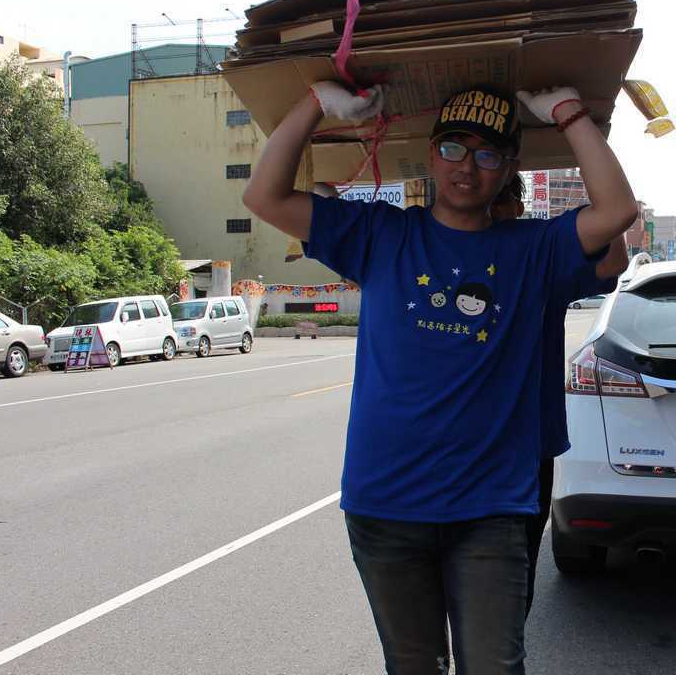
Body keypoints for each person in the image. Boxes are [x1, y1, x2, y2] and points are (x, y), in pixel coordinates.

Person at [243, 81, 637, 675]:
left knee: (493, 667)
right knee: (414, 666)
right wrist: (317, 104)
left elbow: (616, 216)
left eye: (487, 154)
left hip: (491, 508)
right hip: (385, 504)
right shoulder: (380, 235)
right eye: (453, 148)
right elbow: (264, 194)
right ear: (431, 156)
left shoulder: (533, 249)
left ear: (509, 169)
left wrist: (569, 114)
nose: (467, 167)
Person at [490, 178, 629, 616]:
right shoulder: (443, 257)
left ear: (517, 204)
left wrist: (604, 211)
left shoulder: (539, 259)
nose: (495, 209)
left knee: (512, 587)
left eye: (503, 198)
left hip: (528, 447)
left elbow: (614, 261)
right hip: (465, 450)